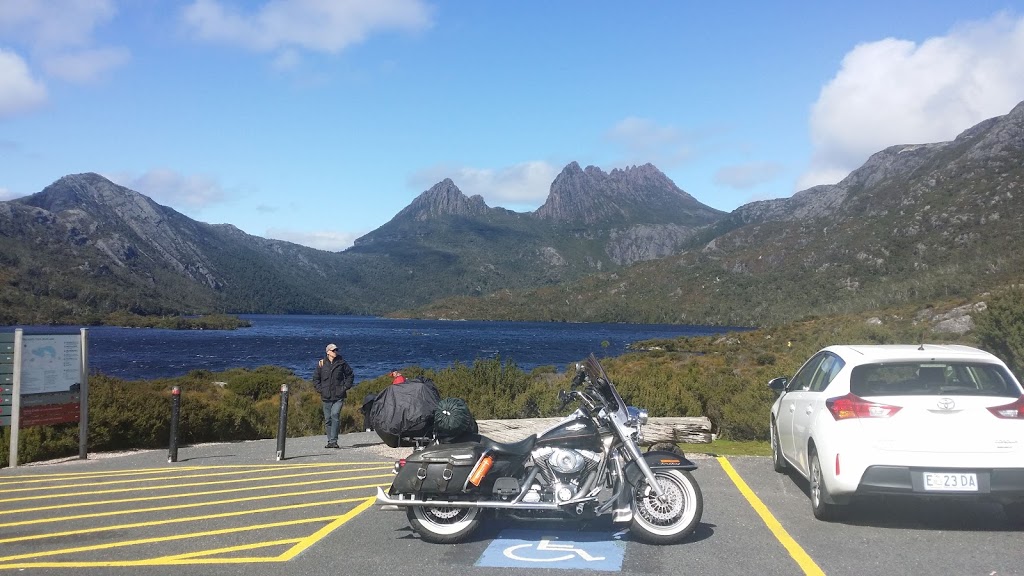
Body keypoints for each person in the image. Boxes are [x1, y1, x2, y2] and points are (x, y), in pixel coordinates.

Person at [313, 343, 354, 449]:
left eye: (336, 350)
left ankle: (334, 440)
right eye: (333, 350)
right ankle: (330, 440)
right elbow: (316, 379)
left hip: (338, 395)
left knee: (335, 415)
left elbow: (350, 375)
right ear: (328, 352)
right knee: (328, 419)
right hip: (326, 396)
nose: (335, 352)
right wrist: (320, 389)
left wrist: (345, 387)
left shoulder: (342, 363)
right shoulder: (321, 364)